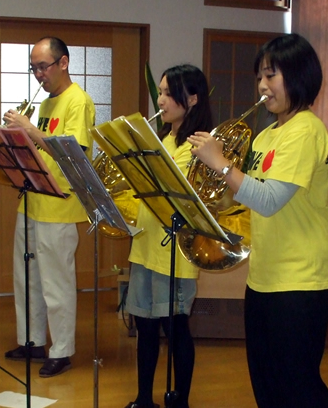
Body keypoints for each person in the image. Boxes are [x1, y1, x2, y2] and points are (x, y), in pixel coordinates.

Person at [189, 34, 328, 408]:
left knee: (298, 391)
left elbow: (269, 200)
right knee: (267, 388)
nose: (262, 86)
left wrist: (220, 164)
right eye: (260, 77)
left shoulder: (306, 129)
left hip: (301, 283)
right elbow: (244, 195)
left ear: (298, 75)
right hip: (264, 279)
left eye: (271, 76)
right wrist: (207, 193)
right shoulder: (268, 133)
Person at [2, 36, 96, 378]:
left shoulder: (78, 101)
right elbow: (41, 149)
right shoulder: (44, 105)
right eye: (34, 68)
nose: (38, 75)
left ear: (63, 63)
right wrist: (15, 137)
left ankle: (62, 350)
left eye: (43, 67)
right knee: (26, 278)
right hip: (32, 199)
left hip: (59, 205)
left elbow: (74, 154)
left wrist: (29, 130)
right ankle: (32, 341)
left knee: (56, 283)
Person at [124, 64, 213, 408]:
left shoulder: (200, 144)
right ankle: (144, 398)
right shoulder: (164, 139)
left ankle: (182, 401)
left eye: (166, 93)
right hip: (146, 243)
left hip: (175, 249)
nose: (160, 100)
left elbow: (192, 198)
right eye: (159, 92)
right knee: (145, 328)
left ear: (191, 99)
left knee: (176, 330)